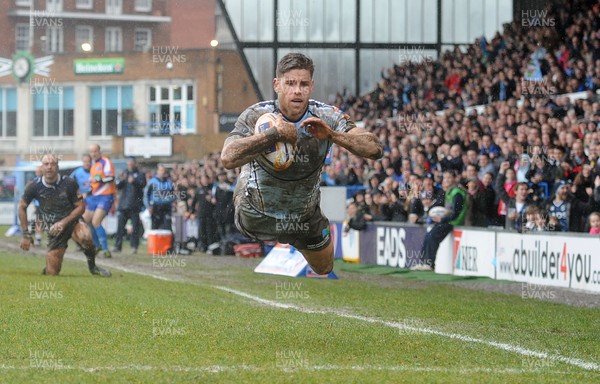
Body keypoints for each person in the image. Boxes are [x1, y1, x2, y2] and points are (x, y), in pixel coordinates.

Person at [221, 52, 383, 274]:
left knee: (324, 267)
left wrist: (332, 135)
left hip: (304, 215)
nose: (297, 90)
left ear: (311, 86)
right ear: (277, 85)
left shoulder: (327, 116)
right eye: (290, 83)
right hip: (256, 213)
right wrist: (274, 135)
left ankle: (294, 238)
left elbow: (375, 149)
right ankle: (250, 176)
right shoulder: (257, 115)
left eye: (304, 84)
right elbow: (228, 158)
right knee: (247, 159)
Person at [18, 154, 111, 277]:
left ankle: (93, 267)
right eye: (46, 164)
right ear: (42, 167)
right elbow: (22, 207)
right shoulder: (33, 186)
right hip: (54, 230)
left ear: (57, 167)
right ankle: (49, 265)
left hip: (73, 221)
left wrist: (63, 222)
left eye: (53, 164)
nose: (49, 167)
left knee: (85, 236)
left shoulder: (69, 183)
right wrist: (26, 234)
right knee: (52, 273)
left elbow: (81, 207)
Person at [412, 170, 468, 271]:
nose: (446, 180)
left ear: (455, 179)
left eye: (449, 178)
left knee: (433, 237)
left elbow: (456, 212)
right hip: (447, 221)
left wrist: (442, 219)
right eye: (445, 178)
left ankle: (429, 264)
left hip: (453, 222)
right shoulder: (449, 192)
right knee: (428, 236)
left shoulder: (457, 193)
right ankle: (423, 262)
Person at [83, 144, 116, 258]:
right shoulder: (93, 166)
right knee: (86, 220)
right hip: (95, 197)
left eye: (95, 151)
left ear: (99, 151)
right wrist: (86, 193)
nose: (93, 154)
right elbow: (94, 185)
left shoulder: (105, 162)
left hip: (106, 196)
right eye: (91, 152)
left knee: (96, 221)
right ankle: (97, 245)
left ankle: (106, 249)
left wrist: (97, 179)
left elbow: (111, 178)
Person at [112, 156, 146, 254]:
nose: (130, 164)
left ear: (135, 163)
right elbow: (117, 186)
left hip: (134, 205)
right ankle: (117, 246)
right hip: (123, 205)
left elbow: (143, 184)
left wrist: (134, 181)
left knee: (135, 228)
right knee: (120, 227)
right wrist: (122, 180)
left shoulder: (140, 174)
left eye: (131, 162)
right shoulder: (124, 173)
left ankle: (134, 247)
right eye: (128, 162)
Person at [145, 164, 176, 231]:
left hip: (166, 208)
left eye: (164, 170)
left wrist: (169, 200)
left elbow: (173, 195)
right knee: (155, 228)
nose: (163, 172)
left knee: (168, 228)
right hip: (156, 208)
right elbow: (146, 195)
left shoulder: (169, 182)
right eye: (161, 170)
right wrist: (148, 206)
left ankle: (168, 241)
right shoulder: (152, 182)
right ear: (158, 171)